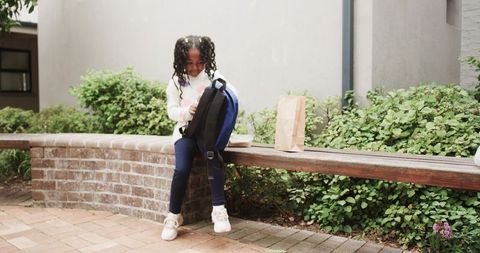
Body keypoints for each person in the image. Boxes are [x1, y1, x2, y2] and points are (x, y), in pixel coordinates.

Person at [161, 35, 234, 241]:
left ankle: (219, 210)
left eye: (199, 62)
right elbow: (171, 111)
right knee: (181, 168)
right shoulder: (176, 81)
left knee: (213, 158)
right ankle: (173, 216)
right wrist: (187, 112)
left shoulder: (213, 76)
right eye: (189, 63)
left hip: (207, 133)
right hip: (185, 132)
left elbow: (230, 98)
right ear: (181, 60)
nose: (194, 68)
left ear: (207, 60)